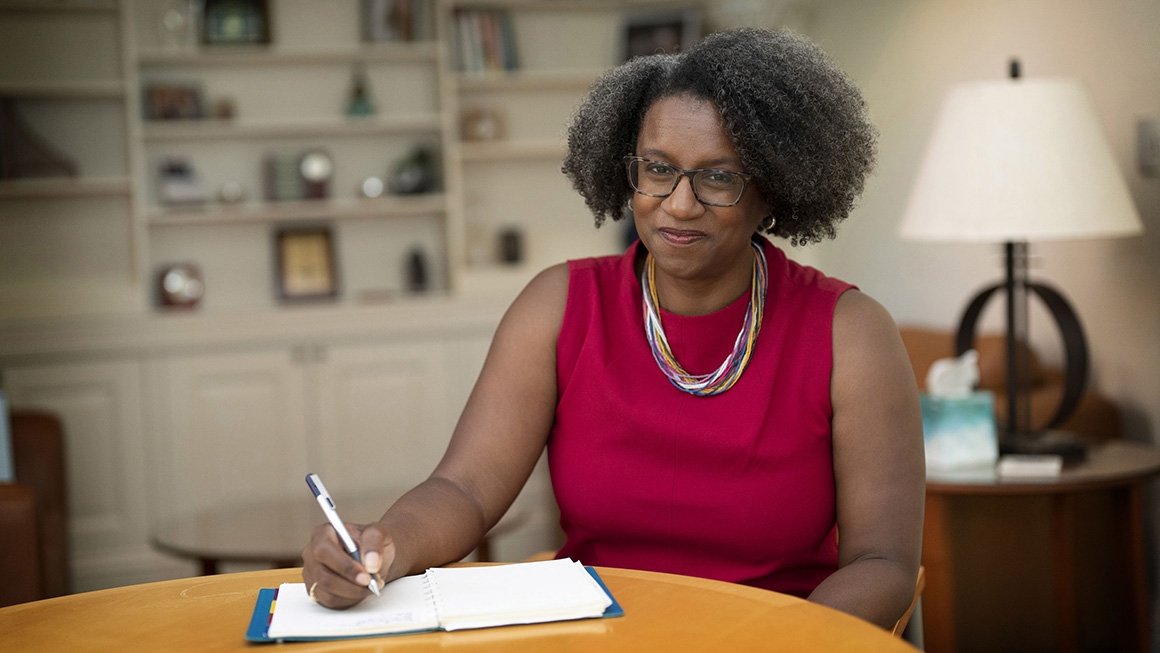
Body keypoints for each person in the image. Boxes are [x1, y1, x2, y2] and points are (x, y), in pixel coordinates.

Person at [302, 27, 924, 630]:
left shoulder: (850, 334)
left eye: (718, 176)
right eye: (658, 169)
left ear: (773, 190)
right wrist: (386, 546)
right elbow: (464, 488)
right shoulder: (559, 305)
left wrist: (772, 643)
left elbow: (882, 562)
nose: (679, 204)